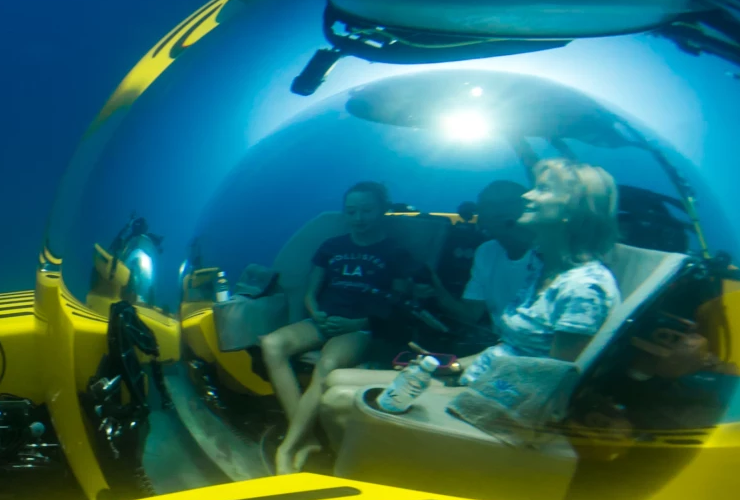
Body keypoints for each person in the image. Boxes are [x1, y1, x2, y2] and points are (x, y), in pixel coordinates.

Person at [307, 158, 624, 468]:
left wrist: (461, 387)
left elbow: (550, 385)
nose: (527, 196)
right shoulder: (542, 266)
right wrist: (449, 366)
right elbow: (509, 349)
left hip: (506, 404)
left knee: (337, 402)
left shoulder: (583, 288)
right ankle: (371, 466)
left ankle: (373, 474)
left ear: (571, 211)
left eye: (542, 189)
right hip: (484, 378)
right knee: (335, 379)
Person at [263, 181, 423, 473]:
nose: (358, 218)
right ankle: (307, 437)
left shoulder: (396, 252)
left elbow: (397, 302)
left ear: (383, 210)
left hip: (359, 327)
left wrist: (358, 322)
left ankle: (287, 447)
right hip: (323, 319)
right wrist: (317, 313)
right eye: (351, 211)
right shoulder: (331, 247)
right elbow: (311, 291)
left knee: (330, 364)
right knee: (271, 344)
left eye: (366, 210)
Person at [410, 179, 534, 349]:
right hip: (502, 350)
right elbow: (470, 315)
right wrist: (437, 291)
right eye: (486, 205)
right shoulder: (486, 252)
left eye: (507, 203)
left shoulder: (550, 254)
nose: (497, 212)